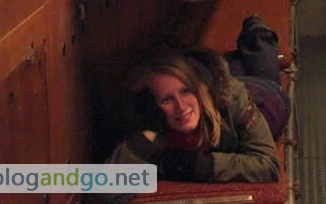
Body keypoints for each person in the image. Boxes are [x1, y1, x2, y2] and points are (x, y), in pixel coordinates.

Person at [103, 49, 280, 185]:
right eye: (167, 99)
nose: (181, 107)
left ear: (197, 88)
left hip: (270, 101)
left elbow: (268, 165)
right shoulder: (151, 124)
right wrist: (142, 141)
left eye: (185, 91)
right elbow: (101, 190)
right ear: (153, 107)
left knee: (262, 72)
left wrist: (200, 166)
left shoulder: (233, 98)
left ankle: (257, 34)